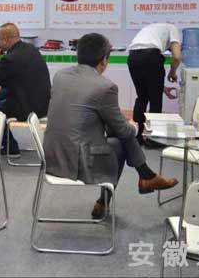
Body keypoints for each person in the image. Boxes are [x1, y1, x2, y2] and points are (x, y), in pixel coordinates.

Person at [43, 33, 178, 219]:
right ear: (104, 60)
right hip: (77, 162)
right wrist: (134, 126)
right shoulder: (104, 87)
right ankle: (135, 181)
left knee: (117, 133)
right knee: (123, 140)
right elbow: (124, 130)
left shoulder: (60, 76)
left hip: (52, 157)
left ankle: (146, 177)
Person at [0, 23, 50, 157]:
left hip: (28, 106)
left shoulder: (10, 58)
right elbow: (18, 77)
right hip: (42, 101)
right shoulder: (30, 49)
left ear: (4, 39)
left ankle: (11, 147)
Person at [127, 23, 182, 143]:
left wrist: (162, 87)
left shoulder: (151, 29)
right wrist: (172, 73)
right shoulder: (172, 29)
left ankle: (138, 136)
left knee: (142, 97)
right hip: (151, 56)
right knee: (155, 100)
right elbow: (177, 57)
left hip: (133, 58)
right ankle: (153, 139)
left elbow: (150, 80)